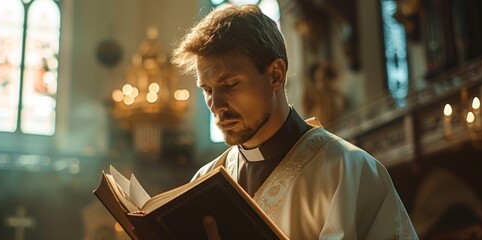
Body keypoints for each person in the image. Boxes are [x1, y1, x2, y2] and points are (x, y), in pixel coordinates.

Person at [172, 4, 418, 240]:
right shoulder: (205, 182)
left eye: (230, 84)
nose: (216, 104)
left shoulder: (350, 171)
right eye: (207, 90)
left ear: (275, 75)